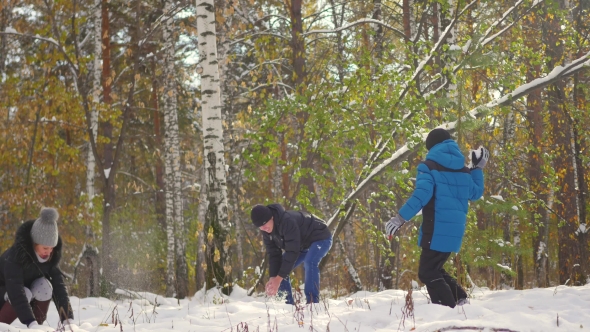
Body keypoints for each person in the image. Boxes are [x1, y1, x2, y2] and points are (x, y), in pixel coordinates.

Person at [384, 128, 487, 308]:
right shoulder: (463, 170)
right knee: (434, 269)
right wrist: (477, 169)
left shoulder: (429, 167)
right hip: (455, 231)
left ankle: (448, 309)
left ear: (431, 147)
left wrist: (399, 219)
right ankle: (461, 299)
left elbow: (421, 196)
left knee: (427, 272)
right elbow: (476, 193)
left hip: (436, 228)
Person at [0, 207, 75, 329]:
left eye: (52, 248)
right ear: (35, 243)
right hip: (5, 294)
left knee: (45, 286)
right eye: (45, 248)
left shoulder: (50, 258)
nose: (49, 252)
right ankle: (3, 326)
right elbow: (16, 292)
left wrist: (68, 320)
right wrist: (30, 322)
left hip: (24, 297)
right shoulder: (15, 257)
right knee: (25, 292)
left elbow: (59, 288)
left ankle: (38, 328)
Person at [251, 203, 332, 304]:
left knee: (309, 262)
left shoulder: (287, 222)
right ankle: (287, 304)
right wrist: (273, 278)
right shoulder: (266, 232)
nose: (263, 228)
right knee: (280, 270)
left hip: (320, 237)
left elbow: (292, 252)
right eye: (260, 227)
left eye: (264, 224)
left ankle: (312, 302)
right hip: (301, 245)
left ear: (271, 217)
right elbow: (273, 254)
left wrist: (278, 279)